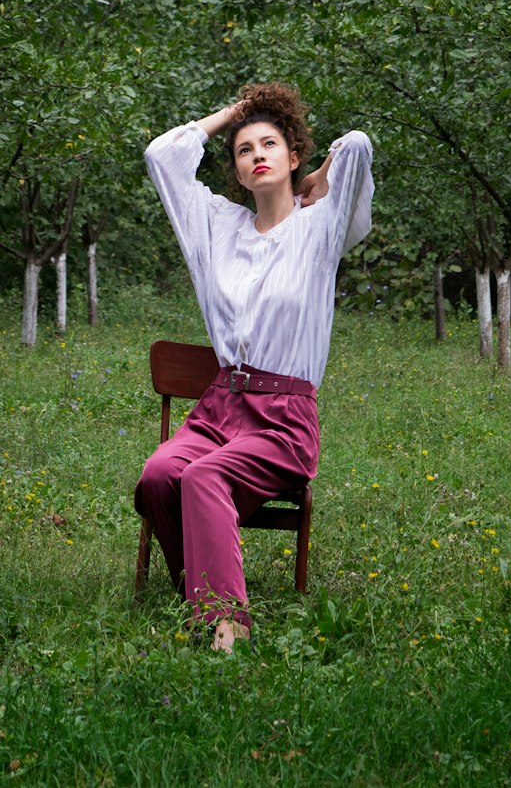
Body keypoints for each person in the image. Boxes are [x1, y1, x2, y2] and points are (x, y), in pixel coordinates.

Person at [136, 82, 373, 651]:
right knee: (158, 478)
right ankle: (197, 583)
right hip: (219, 407)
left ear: (293, 158)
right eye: (245, 150)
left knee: (203, 476)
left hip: (282, 419)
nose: (257, 155)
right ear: (238, 172)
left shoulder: (321, 230)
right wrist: (234, 114)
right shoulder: (216, 228)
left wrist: (319, 178)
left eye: (269, 144)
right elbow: (160, 157)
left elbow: (360, 146)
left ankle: (226, 624)